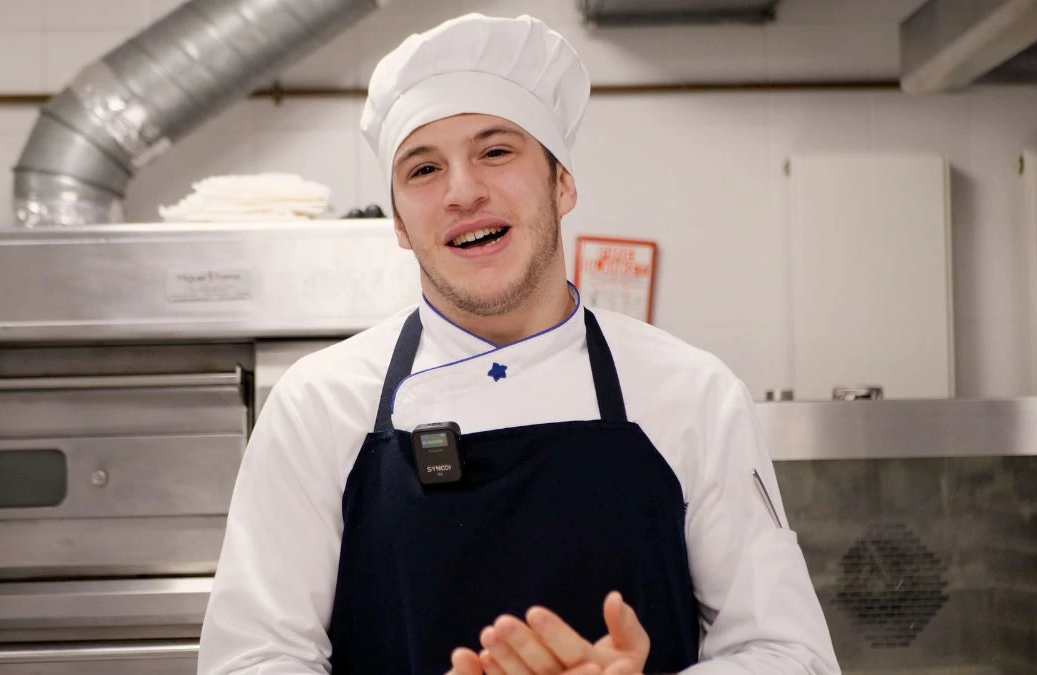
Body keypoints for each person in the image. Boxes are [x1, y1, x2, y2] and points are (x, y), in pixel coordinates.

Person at [197, 12, 840, 675]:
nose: (462, 190)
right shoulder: (319, 406)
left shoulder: (693, 393)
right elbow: (252, 659)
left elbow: (788, 654)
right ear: (397, 223)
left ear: (562, 183)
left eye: (495, 151)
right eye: (422, 168)